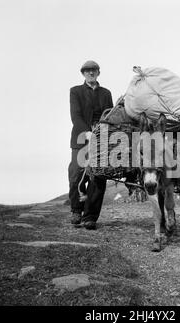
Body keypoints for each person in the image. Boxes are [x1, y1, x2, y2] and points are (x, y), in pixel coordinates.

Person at [68, 60, 113, 229]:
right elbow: (76, 115)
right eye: (87, 71)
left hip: (102, 139)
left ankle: (90, 217)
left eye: (94, 70)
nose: (91, 73)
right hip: (81, 137)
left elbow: (110, 115)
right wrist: (87, 132)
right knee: (76, 173)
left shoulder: (106, 93)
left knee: (99, 176)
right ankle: (76, 210)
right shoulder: (76, 91)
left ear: (98, 73)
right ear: (83, 74)